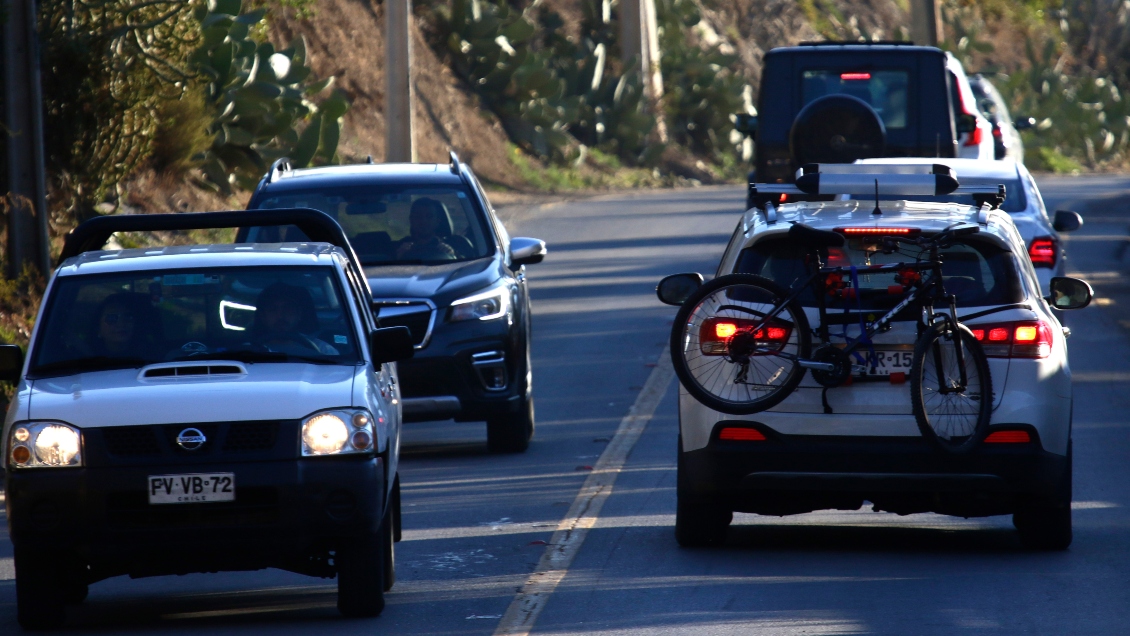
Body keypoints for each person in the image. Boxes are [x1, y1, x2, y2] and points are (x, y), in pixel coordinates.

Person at [250, 282, 339, 355]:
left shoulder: (324, 351)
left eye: (287, 309)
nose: (280, 315)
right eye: (272, 310)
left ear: (298, 314)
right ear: (263, 316)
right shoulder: (247, 352)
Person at [88, 292, 156, 358]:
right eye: (112, 318)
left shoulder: (153, 357)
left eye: (128, 317)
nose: (121, 324)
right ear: (98, 328)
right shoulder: (85, 357)